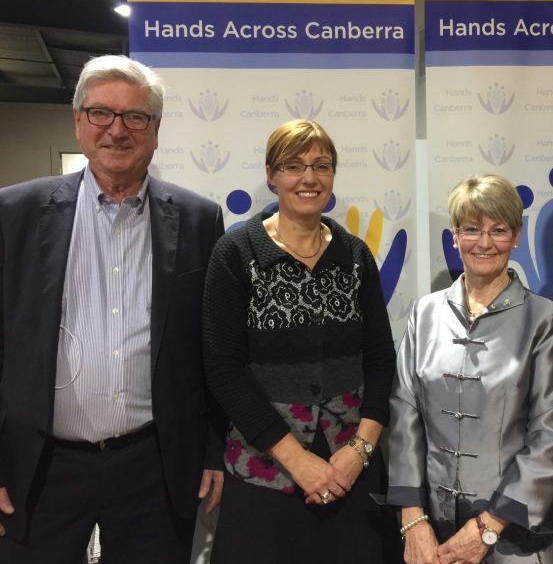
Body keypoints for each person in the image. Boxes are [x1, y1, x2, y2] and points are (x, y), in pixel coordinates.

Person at [0, 55, 225, 563]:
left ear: (156, 129)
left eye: (135, 117)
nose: (117, 130)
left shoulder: (197, 219)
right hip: (39, 466)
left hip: (154, 464)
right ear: (77, 119)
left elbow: (209, 351)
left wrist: (213, 450)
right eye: (101, 113)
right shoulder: (13, 214)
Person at [202, 119, 401, 562]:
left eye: (321, 165)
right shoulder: (236, 255)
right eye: (294, 166)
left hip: (351, 470)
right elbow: (222, 370)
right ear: (271, 175)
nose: (309, 178)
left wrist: (360, 449)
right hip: (265, 474)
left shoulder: (353, 255)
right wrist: (297, 460)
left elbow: (381, 359)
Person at [387, 173, 553, 564]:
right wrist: (412, 516)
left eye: (499, 230)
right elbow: (404, 415)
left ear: (518, 235)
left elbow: (551, 436)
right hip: (435, 535)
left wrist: (488, 526)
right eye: (471, 229)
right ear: (454, 235)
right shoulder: (425, 313)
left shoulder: (544, 320)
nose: (485, 242)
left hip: (519, 539)